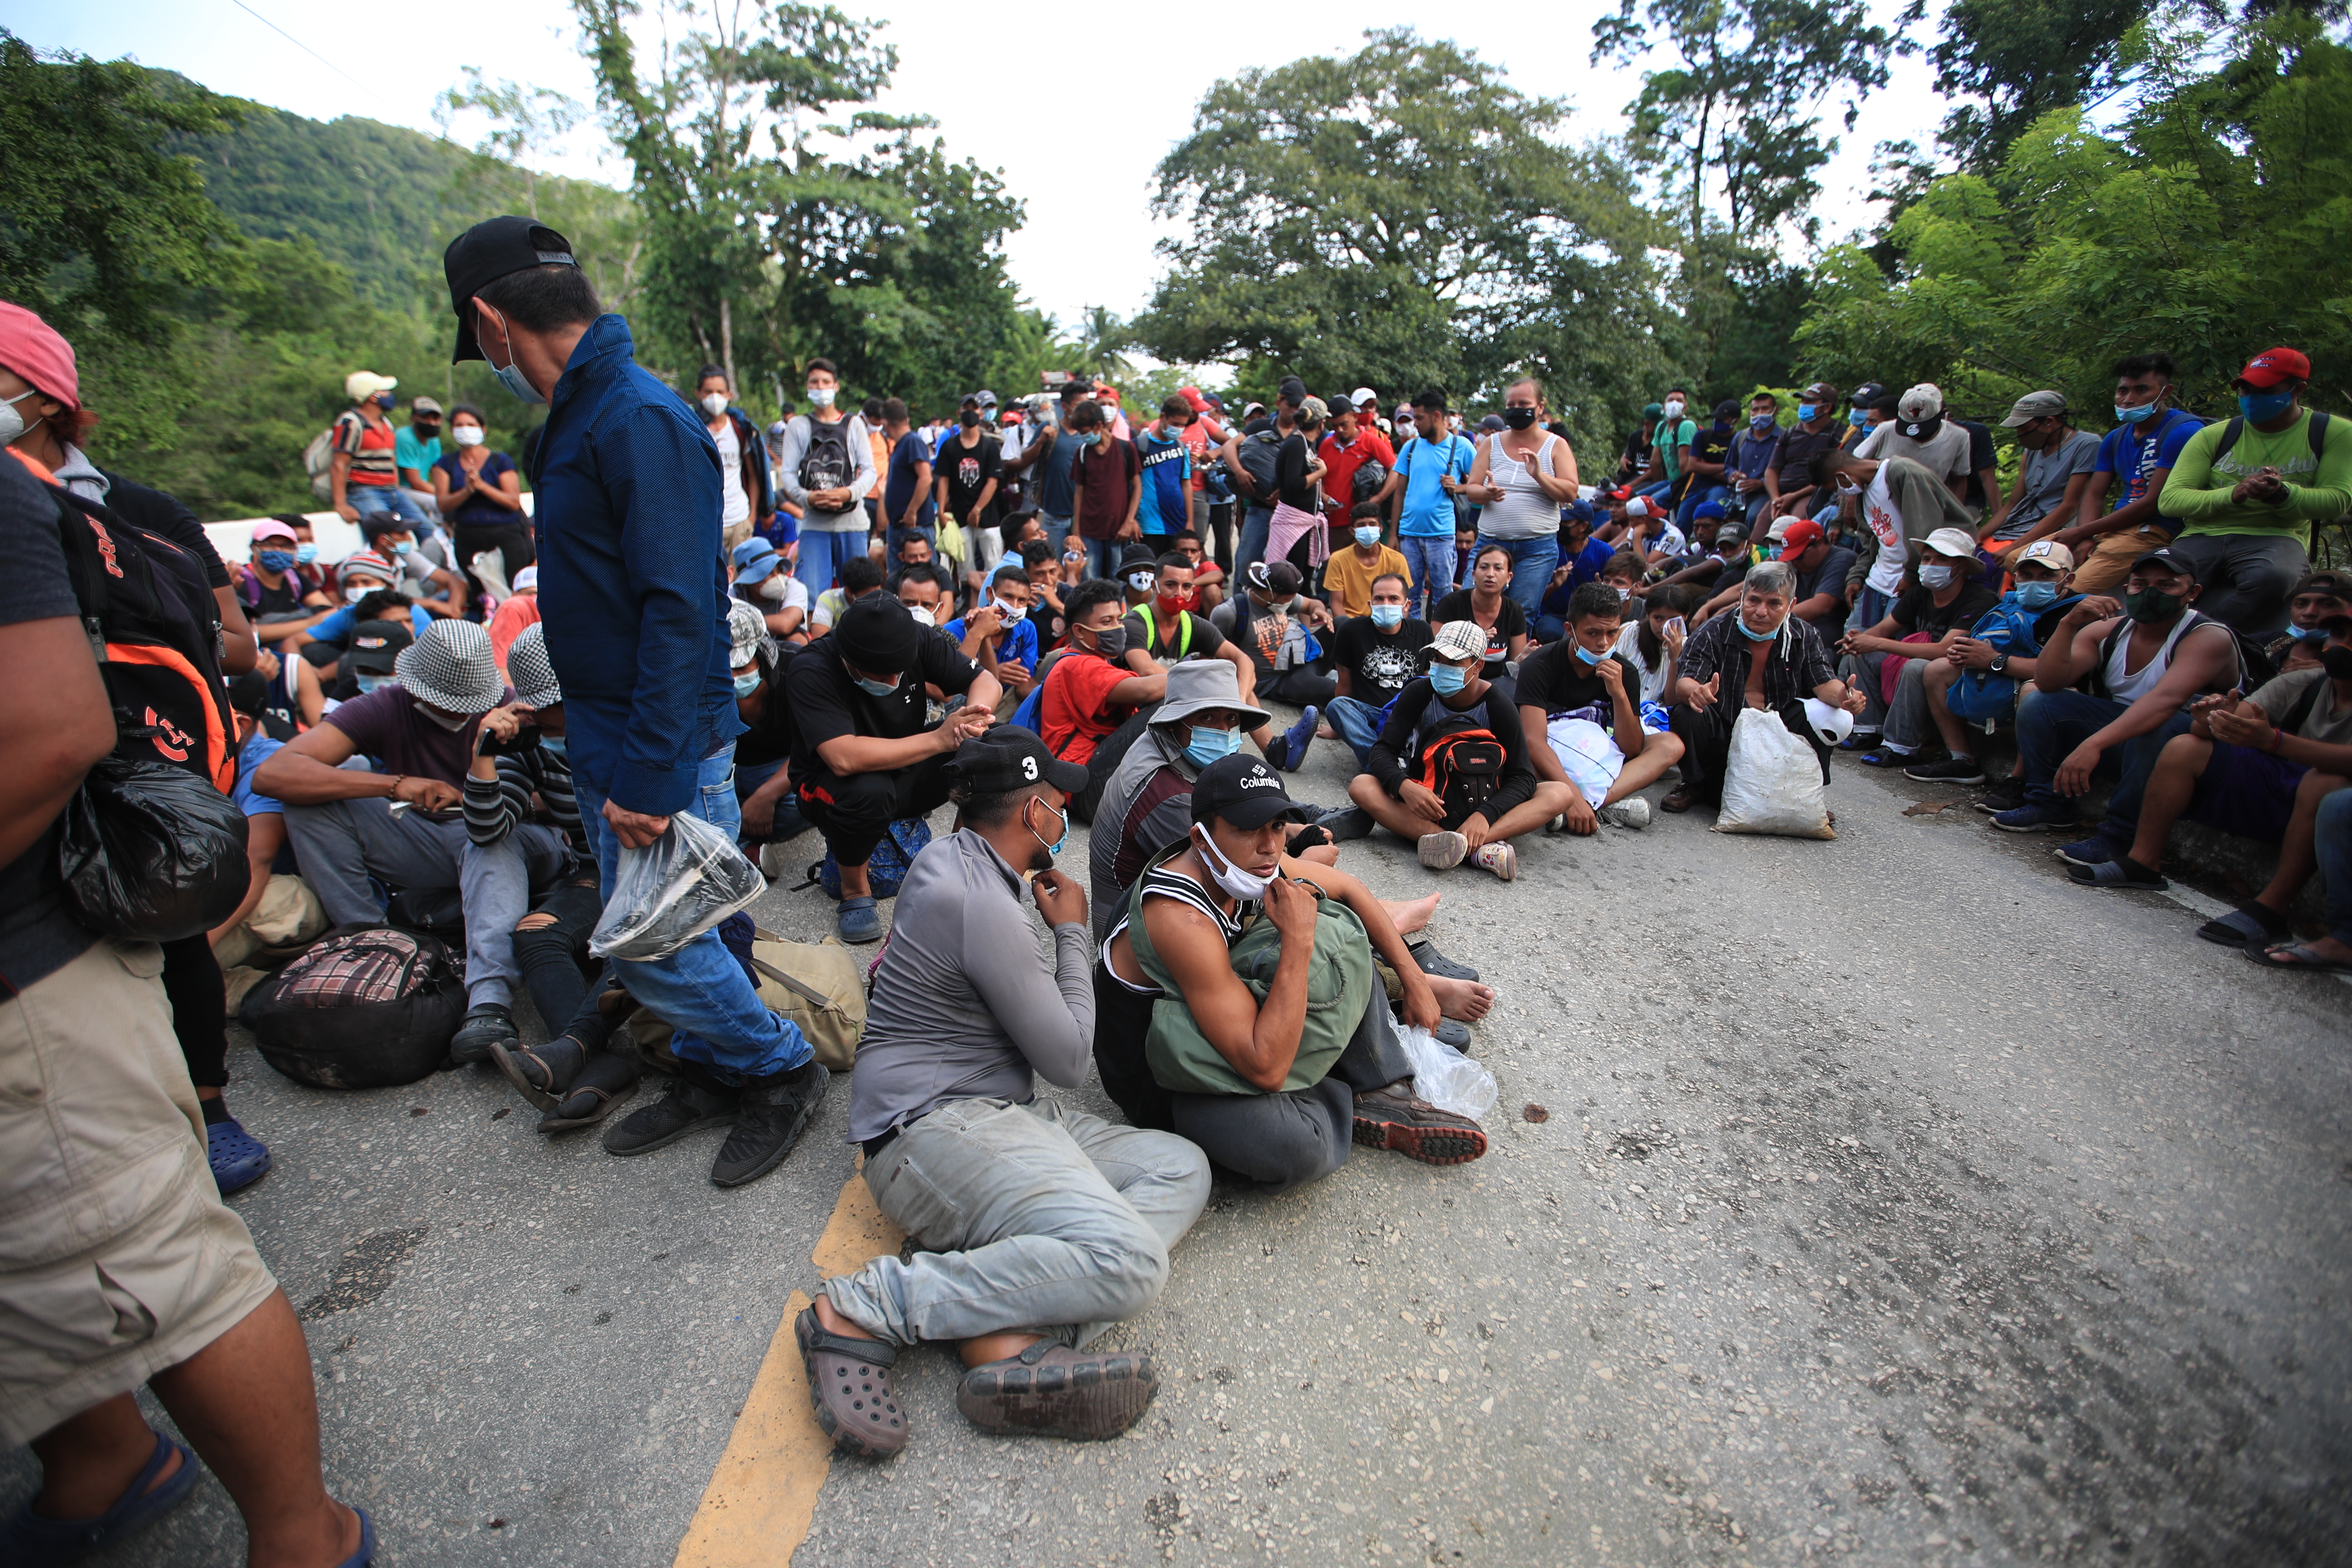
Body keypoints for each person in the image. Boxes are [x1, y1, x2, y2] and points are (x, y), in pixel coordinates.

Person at [0, 448, 371, 1568]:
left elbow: (60, 729)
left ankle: (302, 1538)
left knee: (150, 1256)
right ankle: (96, 1455)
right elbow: (274, 805)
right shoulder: (376, 708)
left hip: (30, 965)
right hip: (127, 908)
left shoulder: (22, 511)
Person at [442, 213, 829, 1188]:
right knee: (683, 925)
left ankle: (778, 1070)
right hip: (611, 729)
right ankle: (710, 1064)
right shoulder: (574, 420)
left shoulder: (636, 418)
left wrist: (652, 773)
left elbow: (680, 611)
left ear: (491, 319)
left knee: (654, 943)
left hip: (658, 737)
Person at [802, 729, 1209, 1456]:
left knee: (1179, 1166)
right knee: (1131, 1263)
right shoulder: (980, 903)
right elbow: (1068, 1056)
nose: (1065, 809)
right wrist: (1074, 933)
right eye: (1058, 799)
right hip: (932, 1129)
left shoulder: (955, 857)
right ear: (1031, 813)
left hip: (1002, 1113)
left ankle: (1010, 1329)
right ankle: (865, 1307)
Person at [1097, 753, 1487, 1189]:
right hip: (1167, 1075)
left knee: (1339, 926)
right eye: (1248, 829)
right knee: (1297, 1147)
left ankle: (1380, 1084)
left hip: (1219, 1019)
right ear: (1201, 839)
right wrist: (1299, 941)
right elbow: (1265, 1069)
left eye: (1278, 826)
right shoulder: (1180, 919)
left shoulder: (1243, 863)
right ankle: (1348, 1076)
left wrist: (1415, 982)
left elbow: (1350, 889)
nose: (1269, 846)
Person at [254, 618, 574, 1051]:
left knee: (488, 838)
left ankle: (488, 998)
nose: (458, 712)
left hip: (513, 841)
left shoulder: (518, 714)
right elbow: (275, 774)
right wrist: (395, 785)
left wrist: (482, 781)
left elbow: (548, 805)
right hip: (429, 838)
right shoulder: (384, 706)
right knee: (313, 799)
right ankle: (370, 943)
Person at [2071, 613, 2352, 897]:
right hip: (2290, 784)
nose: (2345, 645)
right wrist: (2212, 720)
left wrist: (2275, 741)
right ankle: (2142, 861)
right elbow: (2221, 725)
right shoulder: (2305, 681)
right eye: (2340, 634)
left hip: (2332, 798)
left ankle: (2272, 908)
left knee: (2324, 782)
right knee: (2185, 746)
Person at [1989, 547, 2243, 846]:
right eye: (2141, 584)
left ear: (2192, 592)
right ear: (2127, 589)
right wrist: (2068, 624)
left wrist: (2094, 743)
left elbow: (2165, 702)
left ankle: (2121, 838)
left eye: (2166, 585)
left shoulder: (2207, 636)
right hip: (2128, 743)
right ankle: (2049, 804)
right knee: (2039, 699)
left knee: (2158, 726)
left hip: (2189, 756)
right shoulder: (2108, 630)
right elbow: (2048, 682)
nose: (2151, 593)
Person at [787, 592, 998, 941]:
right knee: (869, 791)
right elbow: (843, 758)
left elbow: (986, 681)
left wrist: (973, 722)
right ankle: (855, 893)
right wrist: (939, 740)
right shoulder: (811, 668)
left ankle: (964, 864)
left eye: (897, 673)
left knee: (993, 746)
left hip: (905, 764)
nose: (891, 682)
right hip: (829, 786)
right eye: (879, 675)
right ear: (847, 659)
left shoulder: (916, 637)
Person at [1346, 619, 1575, 877]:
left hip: (1484, 802)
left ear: (1478, 666)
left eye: (1454, 662)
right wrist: (1404, 786)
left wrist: (1486, 815)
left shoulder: (1499, 705)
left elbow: (1523, 777)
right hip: (1430, 802)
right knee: (1362, 786)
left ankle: (1462, 843)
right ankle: (1467, 846)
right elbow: (1382, 751)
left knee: (1560, 793)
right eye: (1438, 659)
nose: (1442, 668)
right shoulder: (1420, 692)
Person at [2157, 346, 2352, 636]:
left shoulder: (2334, 433)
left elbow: (2336, 501)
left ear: (2298, 389)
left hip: (2276, 537)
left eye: (2264, 390)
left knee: (2273, 578)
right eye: (2245, 390)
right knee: (2158, 577)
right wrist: (2235, 493)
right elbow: (2171, 500)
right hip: (2203, 535)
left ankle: (2200, 636)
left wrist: (2283, 493)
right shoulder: (2214, 435)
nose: (2250, 398)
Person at [1662, 561, 1867, 815]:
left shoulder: (1805, 635)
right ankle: (1694, 784)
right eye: (1754, 601)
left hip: (1778, 731)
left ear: (1791, 606)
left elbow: (1824, 683)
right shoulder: (1713, 631)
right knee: (1688, 712)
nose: (1761, 611)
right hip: (1725, 729)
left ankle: (1808, 792)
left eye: (1774, 604)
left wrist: (1845, 697)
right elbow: (1686, 681)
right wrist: (1697, 691)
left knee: (1837, 716)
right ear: (1741, 599)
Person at [1905, 539, 2084, 790]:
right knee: (1937, 670)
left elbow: (2062, 676)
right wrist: (1966, 655)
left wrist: (1993, 661)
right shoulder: (2010, 603)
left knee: (2033, 692)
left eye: (2047, 575)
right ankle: (1963, 761)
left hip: (2052, 693)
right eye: (2027, 574)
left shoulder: (2078, 612)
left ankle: (2019, 779)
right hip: (2002, 677)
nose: (2035, 581)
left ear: (2069, 579)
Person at [1517, 581, 1686, 832]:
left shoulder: (1624, 672)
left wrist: (1618, 693)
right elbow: (1533, 741)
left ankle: (1589, 804)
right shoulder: (1540, 665)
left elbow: (1631, 749)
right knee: (1513, 754)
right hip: (1550, 757)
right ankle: (1582, 802)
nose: (1603, 643)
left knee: (1671, 745)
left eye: (1612, 633)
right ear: (1570, 630)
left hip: (1593, 757)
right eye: (1592, 633)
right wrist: (1571, 792)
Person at [2036, 353, 2203, 595]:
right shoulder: (2116, 438)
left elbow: (2153, 503)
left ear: (2165, 392)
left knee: (2064, 590)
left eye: (2141, 390)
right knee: (2017, 559)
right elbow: (2094, 494)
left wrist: (2082, 532)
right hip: (2111, 529)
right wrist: (2085, 538)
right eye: (2123, 391)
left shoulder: (2183, 431)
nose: (2128, 399)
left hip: (2154, 531)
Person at [1835, 527, 1999, 766]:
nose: (1931, 564)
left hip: (1960, 671)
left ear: (1962, 566)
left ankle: (1901, 747)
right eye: (1926, 558)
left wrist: (1877, 642)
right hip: (1923, 663)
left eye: (1942, 559)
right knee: (1862, 655)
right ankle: (1868, 729)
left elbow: (1945, 649)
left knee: (1916, 667)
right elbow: (1883, 630)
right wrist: (1858, 641)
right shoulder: (1921, 593)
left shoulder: (1979, 599)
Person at [1809, 439, 1979, 637]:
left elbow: (1924, 532)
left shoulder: (1903, 473)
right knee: (1853, 646)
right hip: (1878, 580)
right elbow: (1873, 542)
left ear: (1842, 476)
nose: (1839, 494)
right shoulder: (1863, 492)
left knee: (1890, 652)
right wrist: (1857, 575)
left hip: (1911, 579)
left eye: (1833, 488)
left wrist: (1910, 576)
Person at [1462, 378, 1577, 614]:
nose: (1517, 410)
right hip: (1491, 542)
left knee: (1521, 613)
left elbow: (1570, 493)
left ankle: (1515, 653)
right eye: (1511, 405)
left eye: (1524, 403)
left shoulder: (1557, 445)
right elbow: (1472, 490)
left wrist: (1539, 475)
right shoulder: (1492, 443)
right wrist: (1487, 493)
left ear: (1540, 407)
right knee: (1470, 606)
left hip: (1537, 548)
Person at [776, 357, 879, 604]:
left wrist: (848, 494)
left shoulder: (854, 424)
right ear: (807, 386)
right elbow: (788, 473)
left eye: (826, 382)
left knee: (858, 595)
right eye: (814, 382)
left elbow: (869, 471)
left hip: (852, 524)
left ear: (836, 386)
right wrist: (807, 497)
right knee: (810, 594)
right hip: (814, 524)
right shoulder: (798, 426)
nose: (820, 387)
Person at [722, 600, 811, 877]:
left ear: (763, 654)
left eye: (741, 668)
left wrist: (766, 796)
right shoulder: (705, 679)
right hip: (724, 771)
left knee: (807, 801)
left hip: (781, 769)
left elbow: (815, 746)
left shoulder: (798, 669)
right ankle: (745, 847)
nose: (733, 678)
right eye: (727, 669)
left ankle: (728, 839)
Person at [1041, 579, 1166, 772]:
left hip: (1092, 763)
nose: (1118, 628)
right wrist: (1197, 677)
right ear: (1079, 631)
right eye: (1107, 622)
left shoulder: (1097, 661)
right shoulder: (1076, 665)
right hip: (1080, 773)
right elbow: (1145, 691)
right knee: (1162, 707)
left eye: (1120, 620)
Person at [1226, 561, 1336, 764]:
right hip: (1279, 680)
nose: (1291, 603)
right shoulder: (1232, 612)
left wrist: (1320, 612)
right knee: (1332, 690)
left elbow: (1312, 604)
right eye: (1288, 599)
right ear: (1269, 592)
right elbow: (1215, 649)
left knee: (1343, 625)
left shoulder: (1281, 599)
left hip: (1303, 656)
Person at [1981, 391, 2100, 567]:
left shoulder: (2087, 445)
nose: (2020, 435)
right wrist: (1977, 537)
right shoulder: (2031, 451)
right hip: (2017, 526)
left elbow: (2069, 505)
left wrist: (2015, 547)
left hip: (2058, 528)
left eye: (2025, 429)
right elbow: (2012, 504)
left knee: (2007, 564)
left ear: (2049, 422)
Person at [1325, 572, 1431, 767]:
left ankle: (1386, 762)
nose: (1386, 604)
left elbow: (1427, 682)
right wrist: (1339, 727)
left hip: (1407, 713)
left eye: (1393, 599)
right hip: (1369, 716)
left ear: (1407, 605)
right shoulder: (1351, 631)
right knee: (1337, 707)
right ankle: (1383, 764)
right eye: (1379, 599)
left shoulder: (1422, 631)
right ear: (1370, 604)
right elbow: (1344, 683)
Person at [429, 402, 533, 600]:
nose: (465, 429)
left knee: (513, 592)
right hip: (468, 536)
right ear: (452, 430)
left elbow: (512, 501)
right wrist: (467, 491)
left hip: (506, 535)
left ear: (483, 429)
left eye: (470, 424)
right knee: (482, 597)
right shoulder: (445, 464)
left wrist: (482, 486)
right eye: (459, 425)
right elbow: (443, 504)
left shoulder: (499, 461)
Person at [1390, 389, 1475, 618]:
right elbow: (1400, 493)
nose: (1415, 424)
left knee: (1443, 596)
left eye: (1419, 418)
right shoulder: (1411, 448)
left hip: (1441, 534)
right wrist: (1394, 534)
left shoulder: (1462, 446)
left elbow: (1481, 484)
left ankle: (1441, 645)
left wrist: (1458, 487)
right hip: (1409, 534)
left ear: (1436, 416)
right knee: (1410, 595)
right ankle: (1413, 643)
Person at [328, 370, 428, 531]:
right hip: (365, 490)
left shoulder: (386, 424)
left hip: (391, 490)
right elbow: (339, 464)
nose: (389, 395)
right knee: (384, 532)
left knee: (426, 529)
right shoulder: (350, 423)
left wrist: (396, 488)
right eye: (385, 391)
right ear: (373, 397)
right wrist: (341, 503)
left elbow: (391, 461)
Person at [695, 365, 775, 554]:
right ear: (698, 394)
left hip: (740, 519)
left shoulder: (741, 429)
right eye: (709, 392)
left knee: (742, 580)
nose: (715, 397)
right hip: (708, 525)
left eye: (720, 392)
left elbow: (754, 473)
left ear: (729, 394)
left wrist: (752, 515)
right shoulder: (693, 431)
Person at [1431, 542, 1529, 691]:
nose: (1490, 574)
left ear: (1509, 577)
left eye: (1498, 568)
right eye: (1484, 567)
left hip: (1495, 684)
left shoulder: (1514, 611)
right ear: (1474, 575)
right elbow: (1435, 651)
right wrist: (1474, 641)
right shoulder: (1452, 603)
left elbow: (1515, 662)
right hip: (1453, 679)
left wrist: (1524, 660)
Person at [1854, 383, 1973, 502]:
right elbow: (1854, 465)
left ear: (1943, 415)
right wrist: (1852, 499)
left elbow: (1958, 479)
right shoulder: (1886, 430)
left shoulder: (1958, 437)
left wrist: (1954, 514)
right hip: (1883, 503)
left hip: (1927, 504)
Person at [945, 565, 1041, 712]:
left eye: (1021, 600)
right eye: (1008, 597)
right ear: (990, 594)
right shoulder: (954, 631)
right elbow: (948, 685)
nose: (1014, 607)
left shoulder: (1026, 629)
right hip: (965, 702)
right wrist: (993, 673)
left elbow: (1023, 685)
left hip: (1008, 701)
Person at [1761, 382, 1846, 525]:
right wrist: (1776, 499)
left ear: (1827, 408)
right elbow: (1772, 470)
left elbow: (1831, 477)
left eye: (1810, 402)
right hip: (1781, 494)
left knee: (1793, 525)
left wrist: (1794, 497)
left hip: (1811, 493)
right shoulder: (1790, 433)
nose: (1804, 405)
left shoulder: (1838, 434)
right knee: (1757, 527)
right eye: (1803, 401)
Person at [1317, 393, 1396, 537]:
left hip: (1364, 525)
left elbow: (1396, 470)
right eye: (1335, 426)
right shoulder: (1326, 446)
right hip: (1334, 525)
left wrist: (1379, 498)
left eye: (1344, 424)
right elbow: (1321, 477)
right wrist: (1323, 496)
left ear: (1354, 416)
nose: (1340, 430)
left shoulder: (1372, 441)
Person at [1322, 505, 1412, 623]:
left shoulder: (1397, 559)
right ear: (1352, 531)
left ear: (1381, 529)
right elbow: (1336, 604)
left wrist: (1395, 628)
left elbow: (1403, 602)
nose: (1368, 529)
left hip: (1387, 622)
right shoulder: (1338, 560)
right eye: (1361, 525)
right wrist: (1350, 630)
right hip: (1352, 623)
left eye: (1372, 524)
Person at [1611, 582, 1692, 709]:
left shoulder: (1688, 647)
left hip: (1654, 719)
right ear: (1648, 615)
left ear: (1685, 618)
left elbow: (1672, 702)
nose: (1664, 626)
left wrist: (1675, 659)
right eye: (1658, 618)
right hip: (1619, 709)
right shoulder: (1631, 633)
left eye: (1672, 620)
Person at [1134, 395, 1194, 543]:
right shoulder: (1139, 446)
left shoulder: (1182, 449)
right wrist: (1131, 520)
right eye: (1176, 424)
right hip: (1148, 525)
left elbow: (1186, 484)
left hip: (1177, 523)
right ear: (1163, 417)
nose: (1179, 429)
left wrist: (1190, 521)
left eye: (1183, 425)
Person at [732, 535, 810, 642]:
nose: (776, 577)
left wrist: (742, 624)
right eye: (768, 573)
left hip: (783, 645)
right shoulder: (732, 594)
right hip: (749, 646)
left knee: (797, 639)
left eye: (779, 570)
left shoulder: (795, 587)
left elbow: (786, 624)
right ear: (748, 582)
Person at [1726, 392, 1785, 530]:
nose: (1760, 414)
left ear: (1775, 410)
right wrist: (1733, 474)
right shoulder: (1741, 437)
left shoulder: (1784, 437)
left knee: (1753, 518)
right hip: (1739, 494)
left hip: (1767, 494)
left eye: (1765, 409)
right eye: (1755, 410)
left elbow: (1789, 471)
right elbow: (1729, 465)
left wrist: (1761, 483)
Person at [394, 393, 445, 522]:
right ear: (413, 418)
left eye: (436, 418)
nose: (432, 423)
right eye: (425, 418)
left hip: (419, 488)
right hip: (401, 489)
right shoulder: (405, 438)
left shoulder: (434, 441)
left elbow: (437, 472)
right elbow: (415, 482)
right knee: (437, 504)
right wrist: (444, 495)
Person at [810, 553, 885, 638]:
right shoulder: (829, 599)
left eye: (878, 593)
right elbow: (820, 638)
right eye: (868, 596)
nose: (875, 600)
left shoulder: (885, 601)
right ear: (849, 591)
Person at [487, 563, 542, 671]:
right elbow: (499, 669)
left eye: (541, 594)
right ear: (515, 595)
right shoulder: (513, 607)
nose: (535, 599)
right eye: (531, 594)